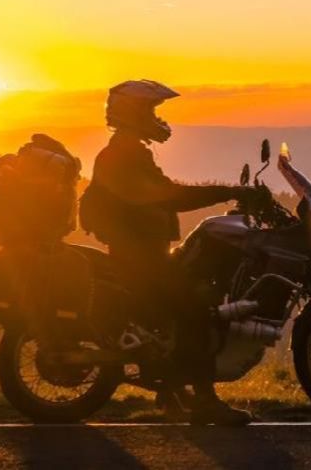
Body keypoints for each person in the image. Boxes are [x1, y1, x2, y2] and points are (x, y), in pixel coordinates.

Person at [79, 79, 259, 426]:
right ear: (131, 112)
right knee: (197, 310)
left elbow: (162, 195)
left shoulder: (130, 151)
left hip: (145, 253)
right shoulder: (122, 155)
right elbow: (168, 195)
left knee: (180, 305)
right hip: (139, 258)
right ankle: (205, 401)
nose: (154, 117)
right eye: (148, 110)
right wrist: (228, 192)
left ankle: (171, 388)